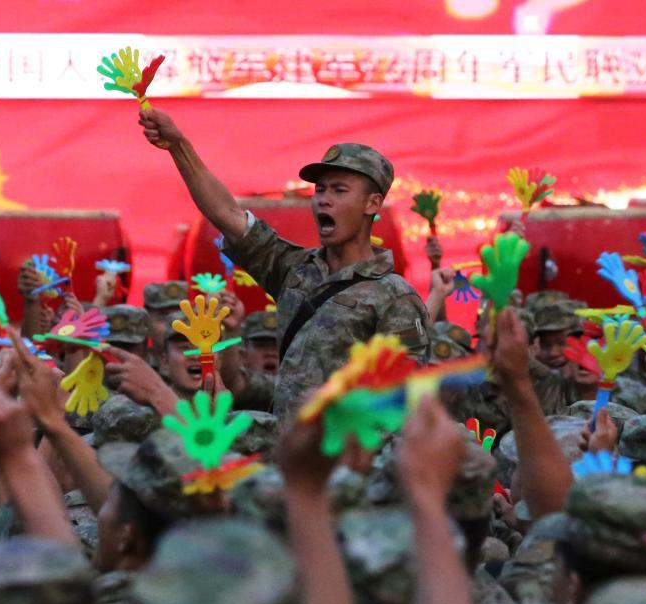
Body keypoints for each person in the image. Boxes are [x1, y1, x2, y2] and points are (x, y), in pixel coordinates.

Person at [138, 109, 431, 419]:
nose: (323, 199)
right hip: (288, 446)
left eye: (339, 190)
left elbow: (404, 403)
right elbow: (228, 215)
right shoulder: (295, 270)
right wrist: (178, 145)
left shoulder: (395, 298)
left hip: (347, 448)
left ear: (372, 203)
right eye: (320, 189)